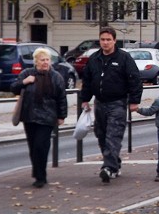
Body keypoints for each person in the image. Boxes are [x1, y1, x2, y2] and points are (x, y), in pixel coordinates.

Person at [79, 26, 143, 184]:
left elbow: (135, 79)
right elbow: (87, 81)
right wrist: (85, 99)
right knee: (101, 135)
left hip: (117, 103)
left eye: (108, 40)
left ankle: (107, 168)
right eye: (102, 40)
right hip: (99, 103)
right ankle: (115, 164)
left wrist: (134, 101)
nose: (105, 42)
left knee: (112, 136)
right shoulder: (94, 59)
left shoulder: (124, 58)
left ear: (114, 41)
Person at [11, 47, 68, 188]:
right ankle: (38, 174)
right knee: (33, 147)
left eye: (47, 60)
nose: (45, 62)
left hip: (47, 117)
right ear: (36, 61)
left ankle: (41, 176)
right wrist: (24, 82)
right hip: (29, 116)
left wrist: (62, 116)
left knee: (41, 145)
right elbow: (13, 88)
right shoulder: (27, 74)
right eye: (42, 60)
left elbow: (61, 98)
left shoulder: (56, 77)